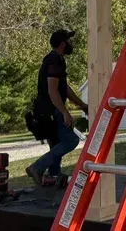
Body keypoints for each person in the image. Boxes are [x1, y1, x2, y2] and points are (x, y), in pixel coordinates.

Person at [26, 29, 88, 186]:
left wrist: (81, 105)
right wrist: (64, 112)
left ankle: (54, 176)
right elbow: (52, 90)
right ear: (62, 44)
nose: (70, 44)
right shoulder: (55, 61)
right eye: (68, 41)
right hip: (49, 110)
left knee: (55, 142)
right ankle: (37, 167)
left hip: (44, 110)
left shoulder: (54, 59)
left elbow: (64, 88)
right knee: (71, 141)